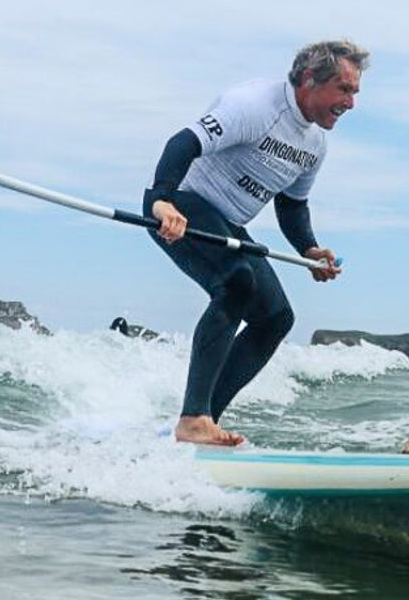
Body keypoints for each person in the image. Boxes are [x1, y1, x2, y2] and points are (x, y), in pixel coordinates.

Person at [144, 39, 369, 446]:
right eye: (344, 89)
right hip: (180, 202)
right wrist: (161, 200)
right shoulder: (254, 106)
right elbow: (184, 142)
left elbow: (292, 204)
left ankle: (201, 420)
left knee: (276, 317)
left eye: (354, 92)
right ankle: (193, 419)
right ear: (308, 79)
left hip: (227, 223)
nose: (350, 102)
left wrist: (309, 250)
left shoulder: (314, 143)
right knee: (237, 282)